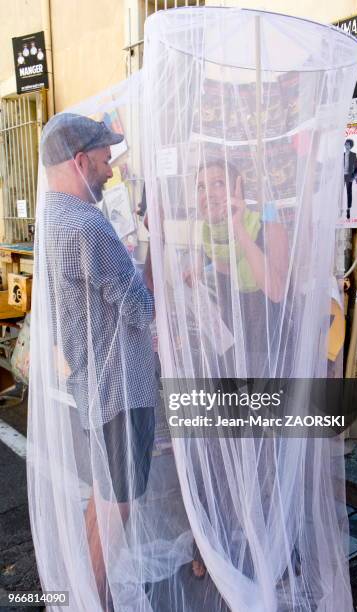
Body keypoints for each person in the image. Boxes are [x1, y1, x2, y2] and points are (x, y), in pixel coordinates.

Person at [39, 113, 157, 609]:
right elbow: (141, 309)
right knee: (116, 511)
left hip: (96, 386)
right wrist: (162, 248)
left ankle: (83, 594)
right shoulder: (87, 224)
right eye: (106, 160)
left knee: (104, 499)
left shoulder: (52, 216)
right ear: (80, 160)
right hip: (121, 388)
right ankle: (95, 601)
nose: (111, 171)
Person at [185, 159, 289, 377]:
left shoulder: (270, 230)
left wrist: (239, 227)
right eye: (201, 187)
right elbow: (201, 289)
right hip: (228, 355)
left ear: (236, 189)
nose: (209, 194)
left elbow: (277, 291)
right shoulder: (207, 238)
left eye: (218, 184)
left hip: (269, 355)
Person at [344, 138, 357, 220]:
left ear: (351, 146)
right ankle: (339, 209)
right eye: (346, 144)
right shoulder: (342, 155)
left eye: (348, 144)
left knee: (349, 193)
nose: (347, 145)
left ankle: (348, 209)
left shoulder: (353, 155)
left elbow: (356, 167)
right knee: (339, 193)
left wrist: (353, 177)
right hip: (341, 176)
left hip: (349, 176)